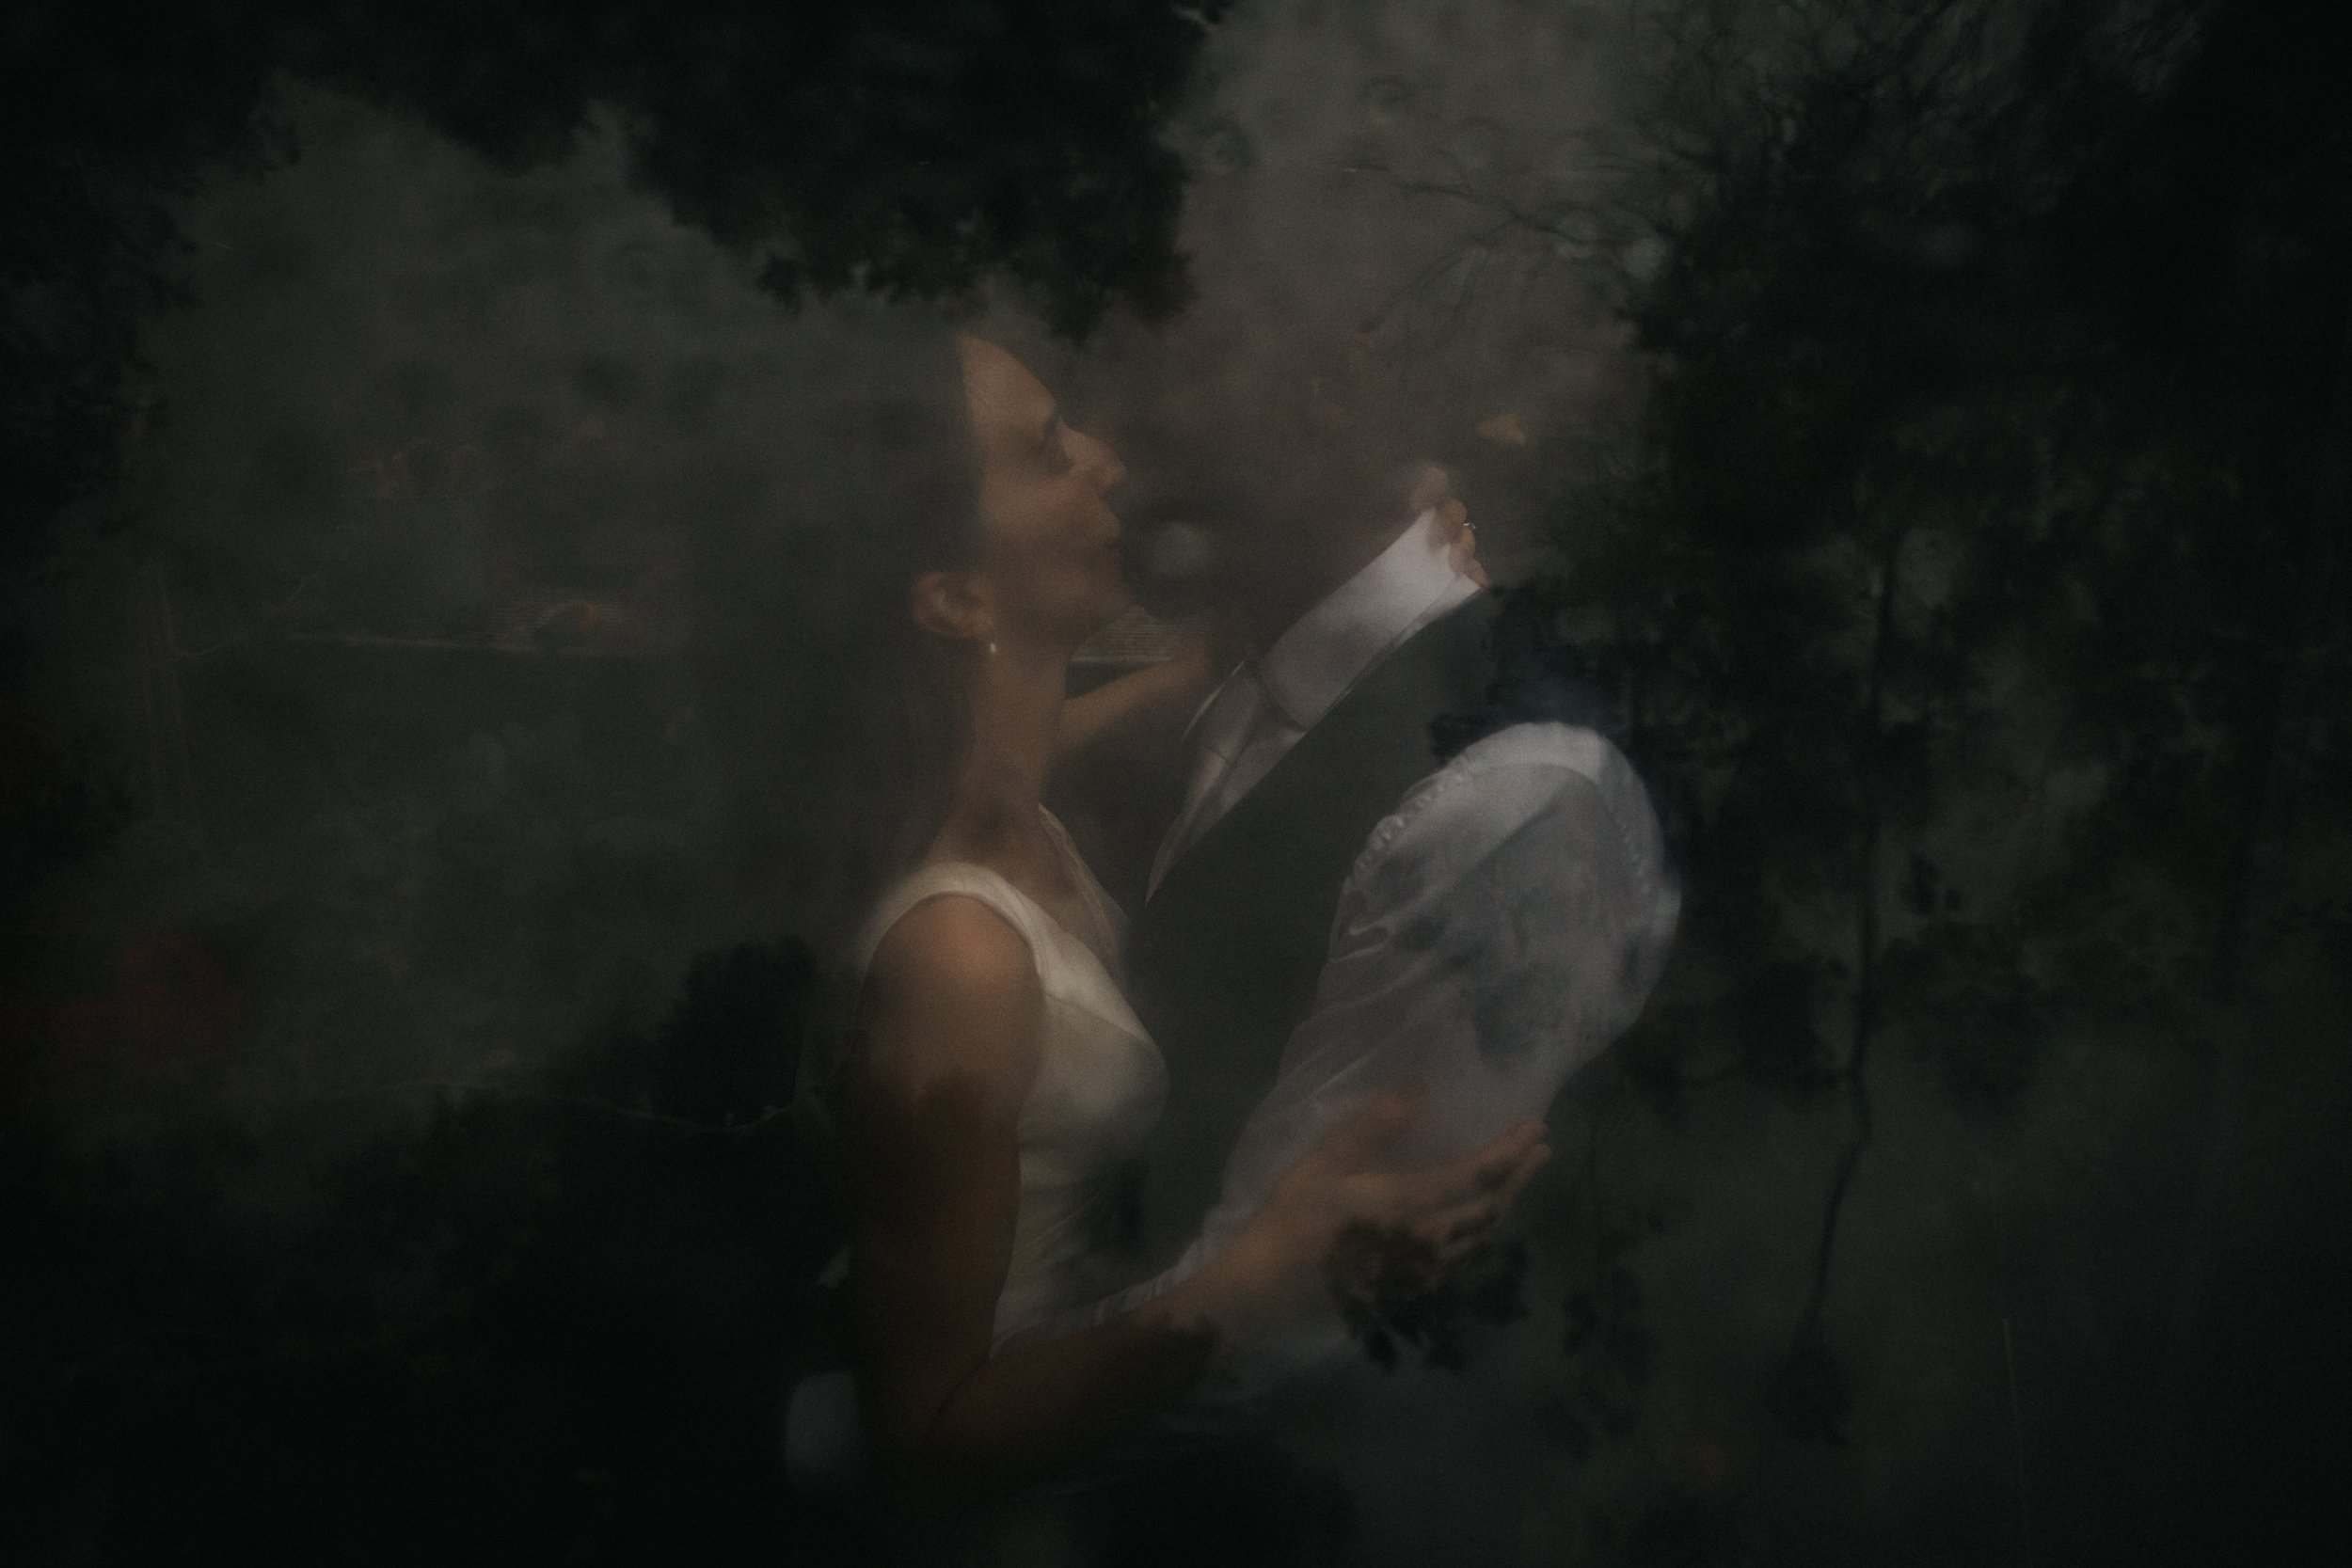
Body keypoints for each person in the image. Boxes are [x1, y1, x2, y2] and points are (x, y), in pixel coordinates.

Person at [777, 321, 1551, 1563]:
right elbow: (923, 1443)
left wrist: (1367, 612)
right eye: (1046, 454)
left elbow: (1033, 745)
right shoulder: (962, 957)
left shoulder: (1004, 823)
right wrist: (1272, 1269)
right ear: (956, 594)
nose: (1105, 461)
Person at [1045, 308, 1682, 1564]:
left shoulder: (1504, 791)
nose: (1110, 453)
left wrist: (922, 1430)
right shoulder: (1266, 672)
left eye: (1150, 385)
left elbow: (1303, 1324)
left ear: (1320, 390)